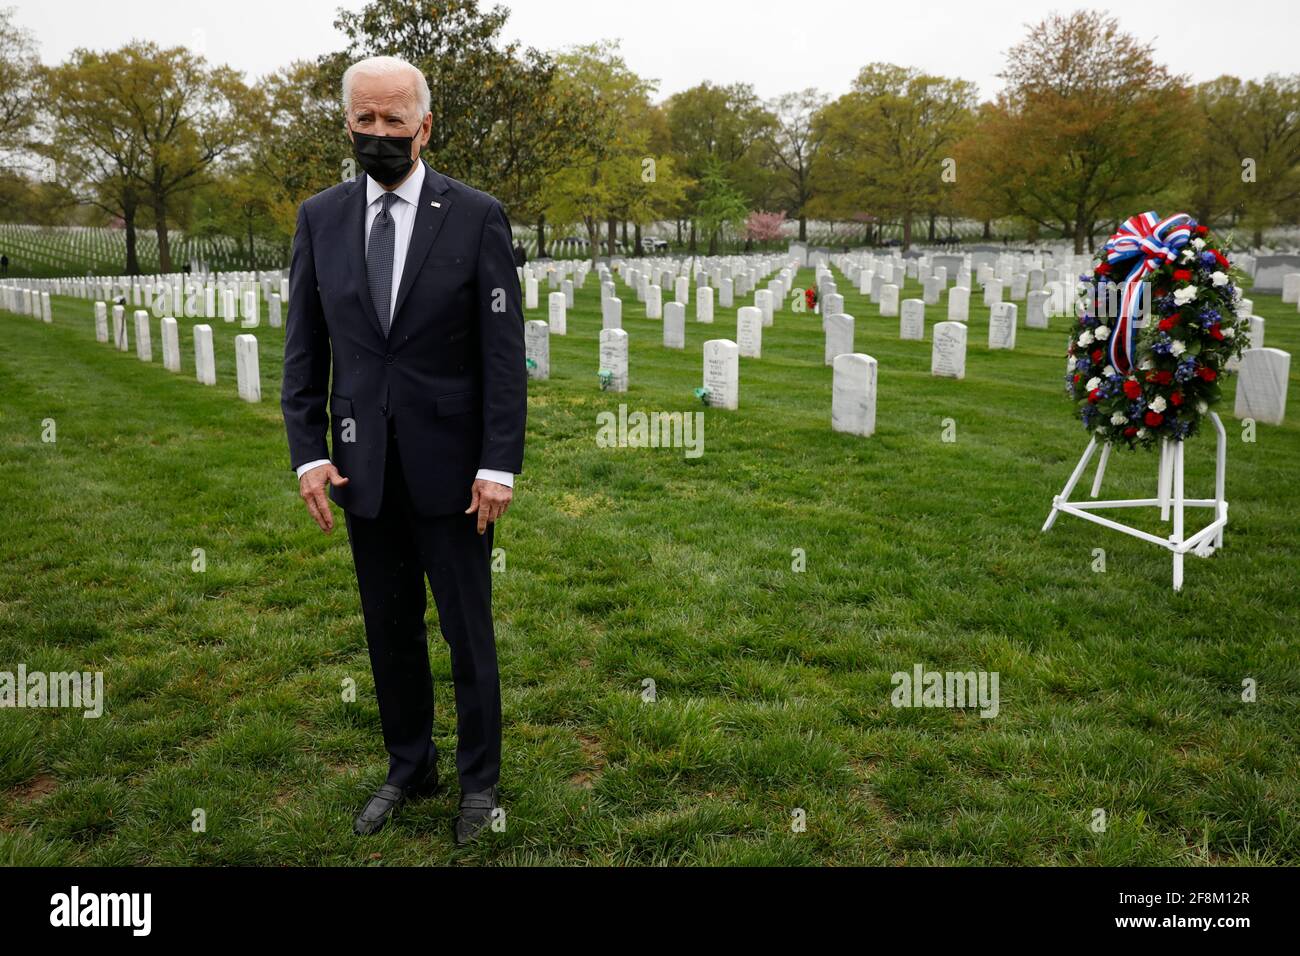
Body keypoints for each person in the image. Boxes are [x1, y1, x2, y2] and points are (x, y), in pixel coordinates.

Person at [281, 55, 526, 845]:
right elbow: (304, 348)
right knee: (389, 629)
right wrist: (307, 452)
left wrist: (498, 464)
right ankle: (409, 762)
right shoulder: (319, 217)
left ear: (425, 126)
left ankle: (479, 784)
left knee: (466, 631)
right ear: (347, 123)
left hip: (455, 471)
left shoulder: (476, 214)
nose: (378, 134)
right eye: (365, 120)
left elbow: (501, 353)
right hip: (363, 466)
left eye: (394, 121)